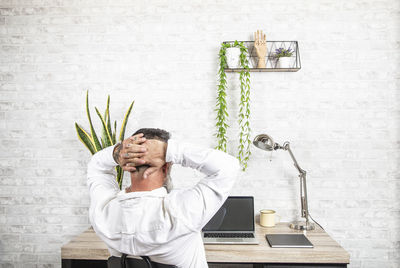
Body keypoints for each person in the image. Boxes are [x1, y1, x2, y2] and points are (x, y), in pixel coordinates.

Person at [87, 128, 240, 267]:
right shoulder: (181, 211)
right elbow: (228, 167)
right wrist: (167, 150)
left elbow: (96, 166)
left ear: (127, 164)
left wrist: (119, 151)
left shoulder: (103, 211)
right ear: (167, 166)